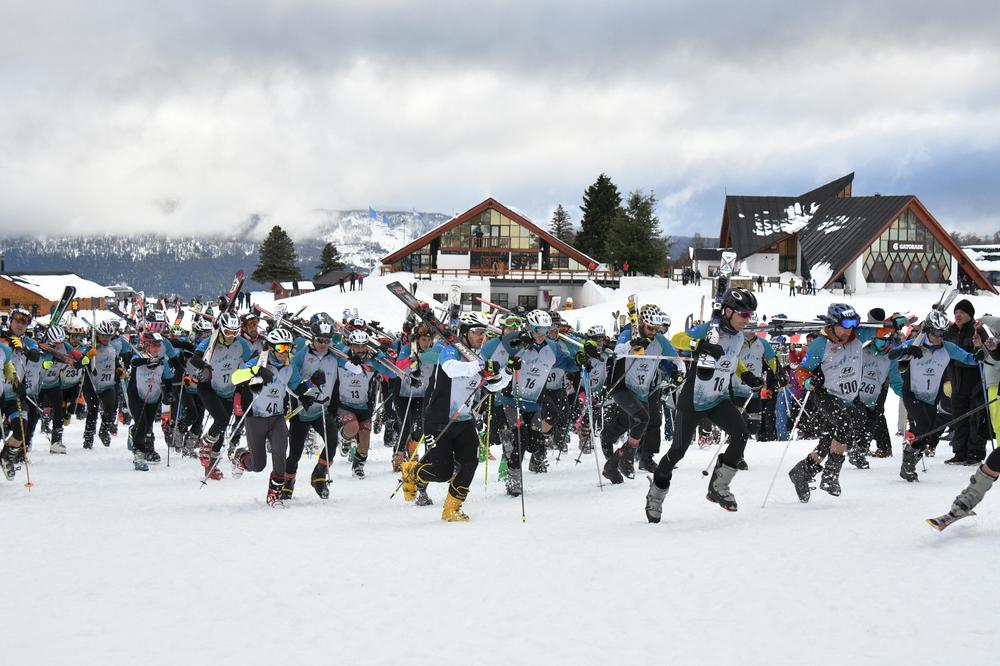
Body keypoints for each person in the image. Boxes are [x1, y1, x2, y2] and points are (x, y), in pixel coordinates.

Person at [645, 288, 762, 522]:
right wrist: (699, 345)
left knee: (741, 434)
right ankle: (655, 495)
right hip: (693, 401)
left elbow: (732, 358)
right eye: (744, 315)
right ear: (728, 311)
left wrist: (746, 374)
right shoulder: (710, 330)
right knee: (678, 451)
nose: (747, 320)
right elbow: (678, 338)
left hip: (718, 399)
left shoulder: (739, 336)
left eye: (750, 315)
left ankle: (718, 486)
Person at [402, 311, 511, 521]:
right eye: (478, 332)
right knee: (443, 472)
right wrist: (480, 366)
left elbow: (494, 384)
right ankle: (413, 472)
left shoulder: (478, 358)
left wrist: (506, 372)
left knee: (470, 463)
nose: (482, 337)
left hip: (464, 419)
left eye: (484, 333)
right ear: (464, 332)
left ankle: (452, 509)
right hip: (439, 418)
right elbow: (451, 369)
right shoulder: (449, 350)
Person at [786, 304, 875, 501]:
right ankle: (830, 475)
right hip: (826, 395)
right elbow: (802, 370)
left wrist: (894, 322)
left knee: (828, 440)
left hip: (847, 398)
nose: (849, 330)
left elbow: (883, 329)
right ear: (832, 324)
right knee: (844, 425)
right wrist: (807, 380)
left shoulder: (857, 335)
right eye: (845, 325)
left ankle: (802, 472)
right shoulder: (820, 344)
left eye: (854, 324)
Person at [891, 310, 984, 482]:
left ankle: (909, 460)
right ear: (927, 330)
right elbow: (892, 354)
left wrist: (979, 350)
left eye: (943, 333)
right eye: (936, 332)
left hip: (932, 397)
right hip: (912, 393)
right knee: (925, 425)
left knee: (929, 433)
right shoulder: (916, 343)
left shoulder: (947, 348)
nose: (939, 337)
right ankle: (909, 457)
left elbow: (971, 359)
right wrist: (908, 349)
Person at [230, 327, 313, 508]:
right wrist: (256, 372)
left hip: (277, 418)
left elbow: (295, 386)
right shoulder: (258, 361)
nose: (285, 353)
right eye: (281, 348)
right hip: (256, 417)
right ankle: (241, 457)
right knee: (258, 465)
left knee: (280, 454)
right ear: (271, 347)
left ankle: (274, 495)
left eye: (288, 348)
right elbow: (235, 378)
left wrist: (306, 394)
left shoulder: (288, 367)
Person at [602, 304, 681, 483]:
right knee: (641, 420)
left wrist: (679, 372)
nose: (653, 332)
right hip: (622, 387)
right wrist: (632, 345)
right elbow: (617, 350)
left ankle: (613, 465)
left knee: (645, 424)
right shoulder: (630, 333)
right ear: (641, 323)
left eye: (657, 328)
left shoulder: (660, 340)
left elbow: (677, 359)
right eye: (650, 328)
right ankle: (626, 458)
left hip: (644, 389)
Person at [191, 312, 254, 480]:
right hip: (209, 388)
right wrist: (203, 365)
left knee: (223, 426)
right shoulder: (210, 341)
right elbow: (194, 359)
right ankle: (206, 442)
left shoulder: (241, 344)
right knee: (222, 420)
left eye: (235, 332)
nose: (231, 336)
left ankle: (211, 466)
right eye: (228, 332)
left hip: (229, 389)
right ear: (221, 329)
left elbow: (252, 360)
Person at [944, 299, 987, 465]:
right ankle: (959, 452)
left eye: (962, 312)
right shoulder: (950, 332)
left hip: (975, 382)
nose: (958, 315)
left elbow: (981, 356)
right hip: (956, 381)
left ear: (970, 315)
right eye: (956, 312)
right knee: (958, 418)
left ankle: (975, 454)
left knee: (975, 419)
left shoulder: (977, 331)